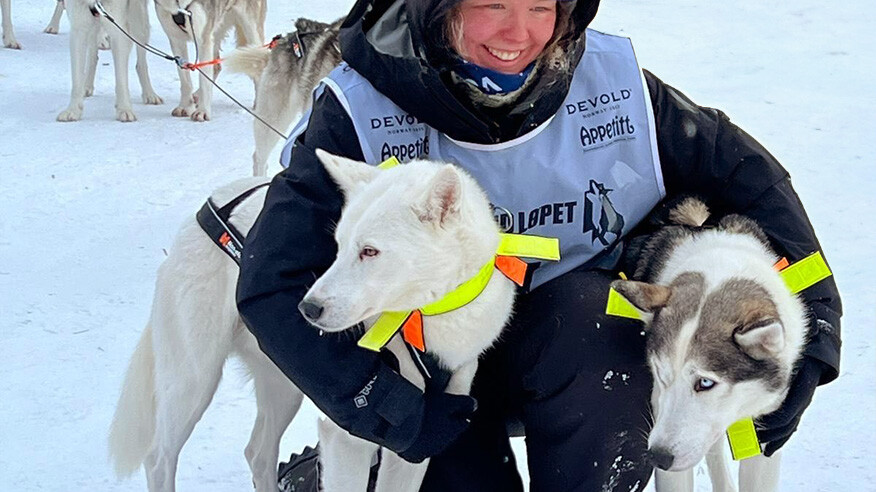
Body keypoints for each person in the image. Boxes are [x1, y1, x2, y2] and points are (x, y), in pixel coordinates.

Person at [237, 0, 842, 490]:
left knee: (603, 314)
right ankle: (345, 469)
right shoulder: (362, 105)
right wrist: (382, 407)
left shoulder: (616, 87)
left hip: (570, 346)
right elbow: (273, 285)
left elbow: (754, 183)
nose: (518, 33)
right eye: (492, 4)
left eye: (539, 6)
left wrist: (814, 329)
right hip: (428, 372)